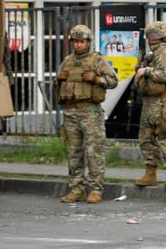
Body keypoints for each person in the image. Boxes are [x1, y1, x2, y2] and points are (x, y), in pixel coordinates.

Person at [55, 24, 118, 204]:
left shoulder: (97, 60)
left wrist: (97, 79)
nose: (79, 45)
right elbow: (58, 85)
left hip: (90, 112)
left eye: (82, 41)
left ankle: (96, 189)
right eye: (76, 41)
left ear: (88, 42)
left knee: (94, 152)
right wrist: (58, 79)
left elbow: (113, 80)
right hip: (70, 112)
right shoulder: (67, 61)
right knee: (73, 153)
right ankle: (76, 189)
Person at [134, 20, 166, 189]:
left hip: (162, 103)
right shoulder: (151, 55)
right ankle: (150, 172)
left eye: (152, 36)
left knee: (165, 138)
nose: (150, 39)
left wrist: (145, 71)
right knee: (146, 140)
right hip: (148, 102)